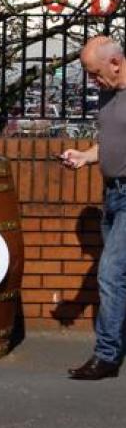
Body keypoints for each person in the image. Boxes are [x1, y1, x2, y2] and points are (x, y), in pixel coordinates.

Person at [62, 35, 126, 379]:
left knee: (110, 274)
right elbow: (112, 143)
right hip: (112, 195)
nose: (92, 81)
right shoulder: (108, 94)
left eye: (95, 73)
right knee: (118, 275)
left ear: (115, 63)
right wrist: (85, 157)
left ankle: (107, 356)